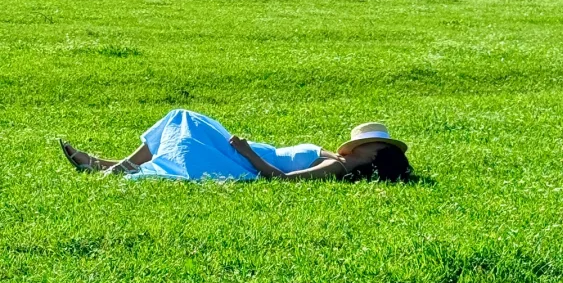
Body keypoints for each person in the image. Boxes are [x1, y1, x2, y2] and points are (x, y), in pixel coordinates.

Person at [60, 111, 413, 183]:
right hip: (247, 154)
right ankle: (114, 165)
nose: (359, 147)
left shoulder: (339, 165)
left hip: (246, 162)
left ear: (375, 156)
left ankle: (114, 166)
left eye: (368, 146)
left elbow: (284, 180)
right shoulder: (337, 158)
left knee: (184, 120)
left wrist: (246, 152)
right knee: (180, 119)